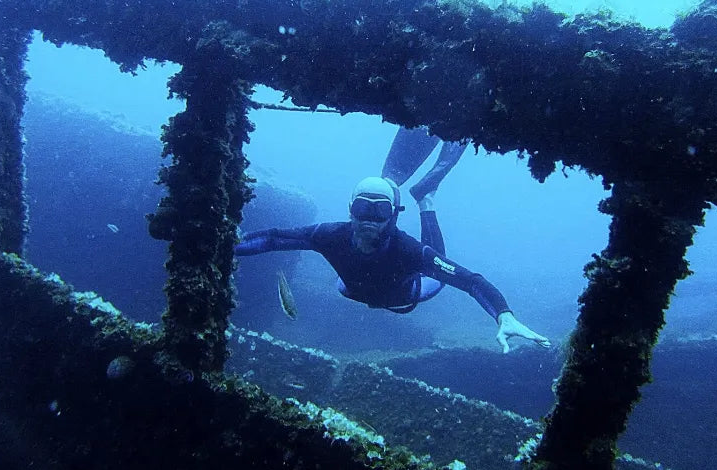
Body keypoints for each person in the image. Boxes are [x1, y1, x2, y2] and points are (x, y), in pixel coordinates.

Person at [235, 128, 550, 353]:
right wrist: (227, 246)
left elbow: (469, 281)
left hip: (408, 295)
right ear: (351, 210)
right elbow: (275, 238)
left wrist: (503, 314)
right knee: (344, 287)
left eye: (380, 210)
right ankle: (424, 195)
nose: (370, 219)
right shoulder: (330, 235)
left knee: (436, 268)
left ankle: (426, 200)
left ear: (394, 215)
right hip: (352, 290)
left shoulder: (408, 250)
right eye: (363, 208)